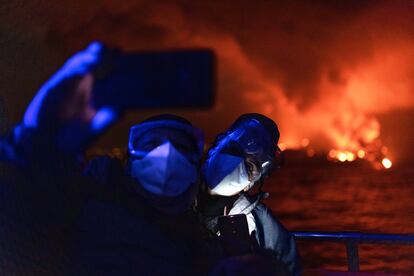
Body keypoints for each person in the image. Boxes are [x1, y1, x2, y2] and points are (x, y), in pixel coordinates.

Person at [0, 42, 222, 275]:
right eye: (151, 144)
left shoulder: (201, 252)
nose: (165, 154)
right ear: (131, 157)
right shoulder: (77, 200)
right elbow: (16, 225)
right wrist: (34, 144)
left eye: (179, 147)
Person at [198, 113, 302, 275]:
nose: (233, 165)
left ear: (251, 183)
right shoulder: (173, 202)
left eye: (249, 167)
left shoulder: (263, 225)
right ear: (214, 150)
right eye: (231, 151)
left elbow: (289, 269)